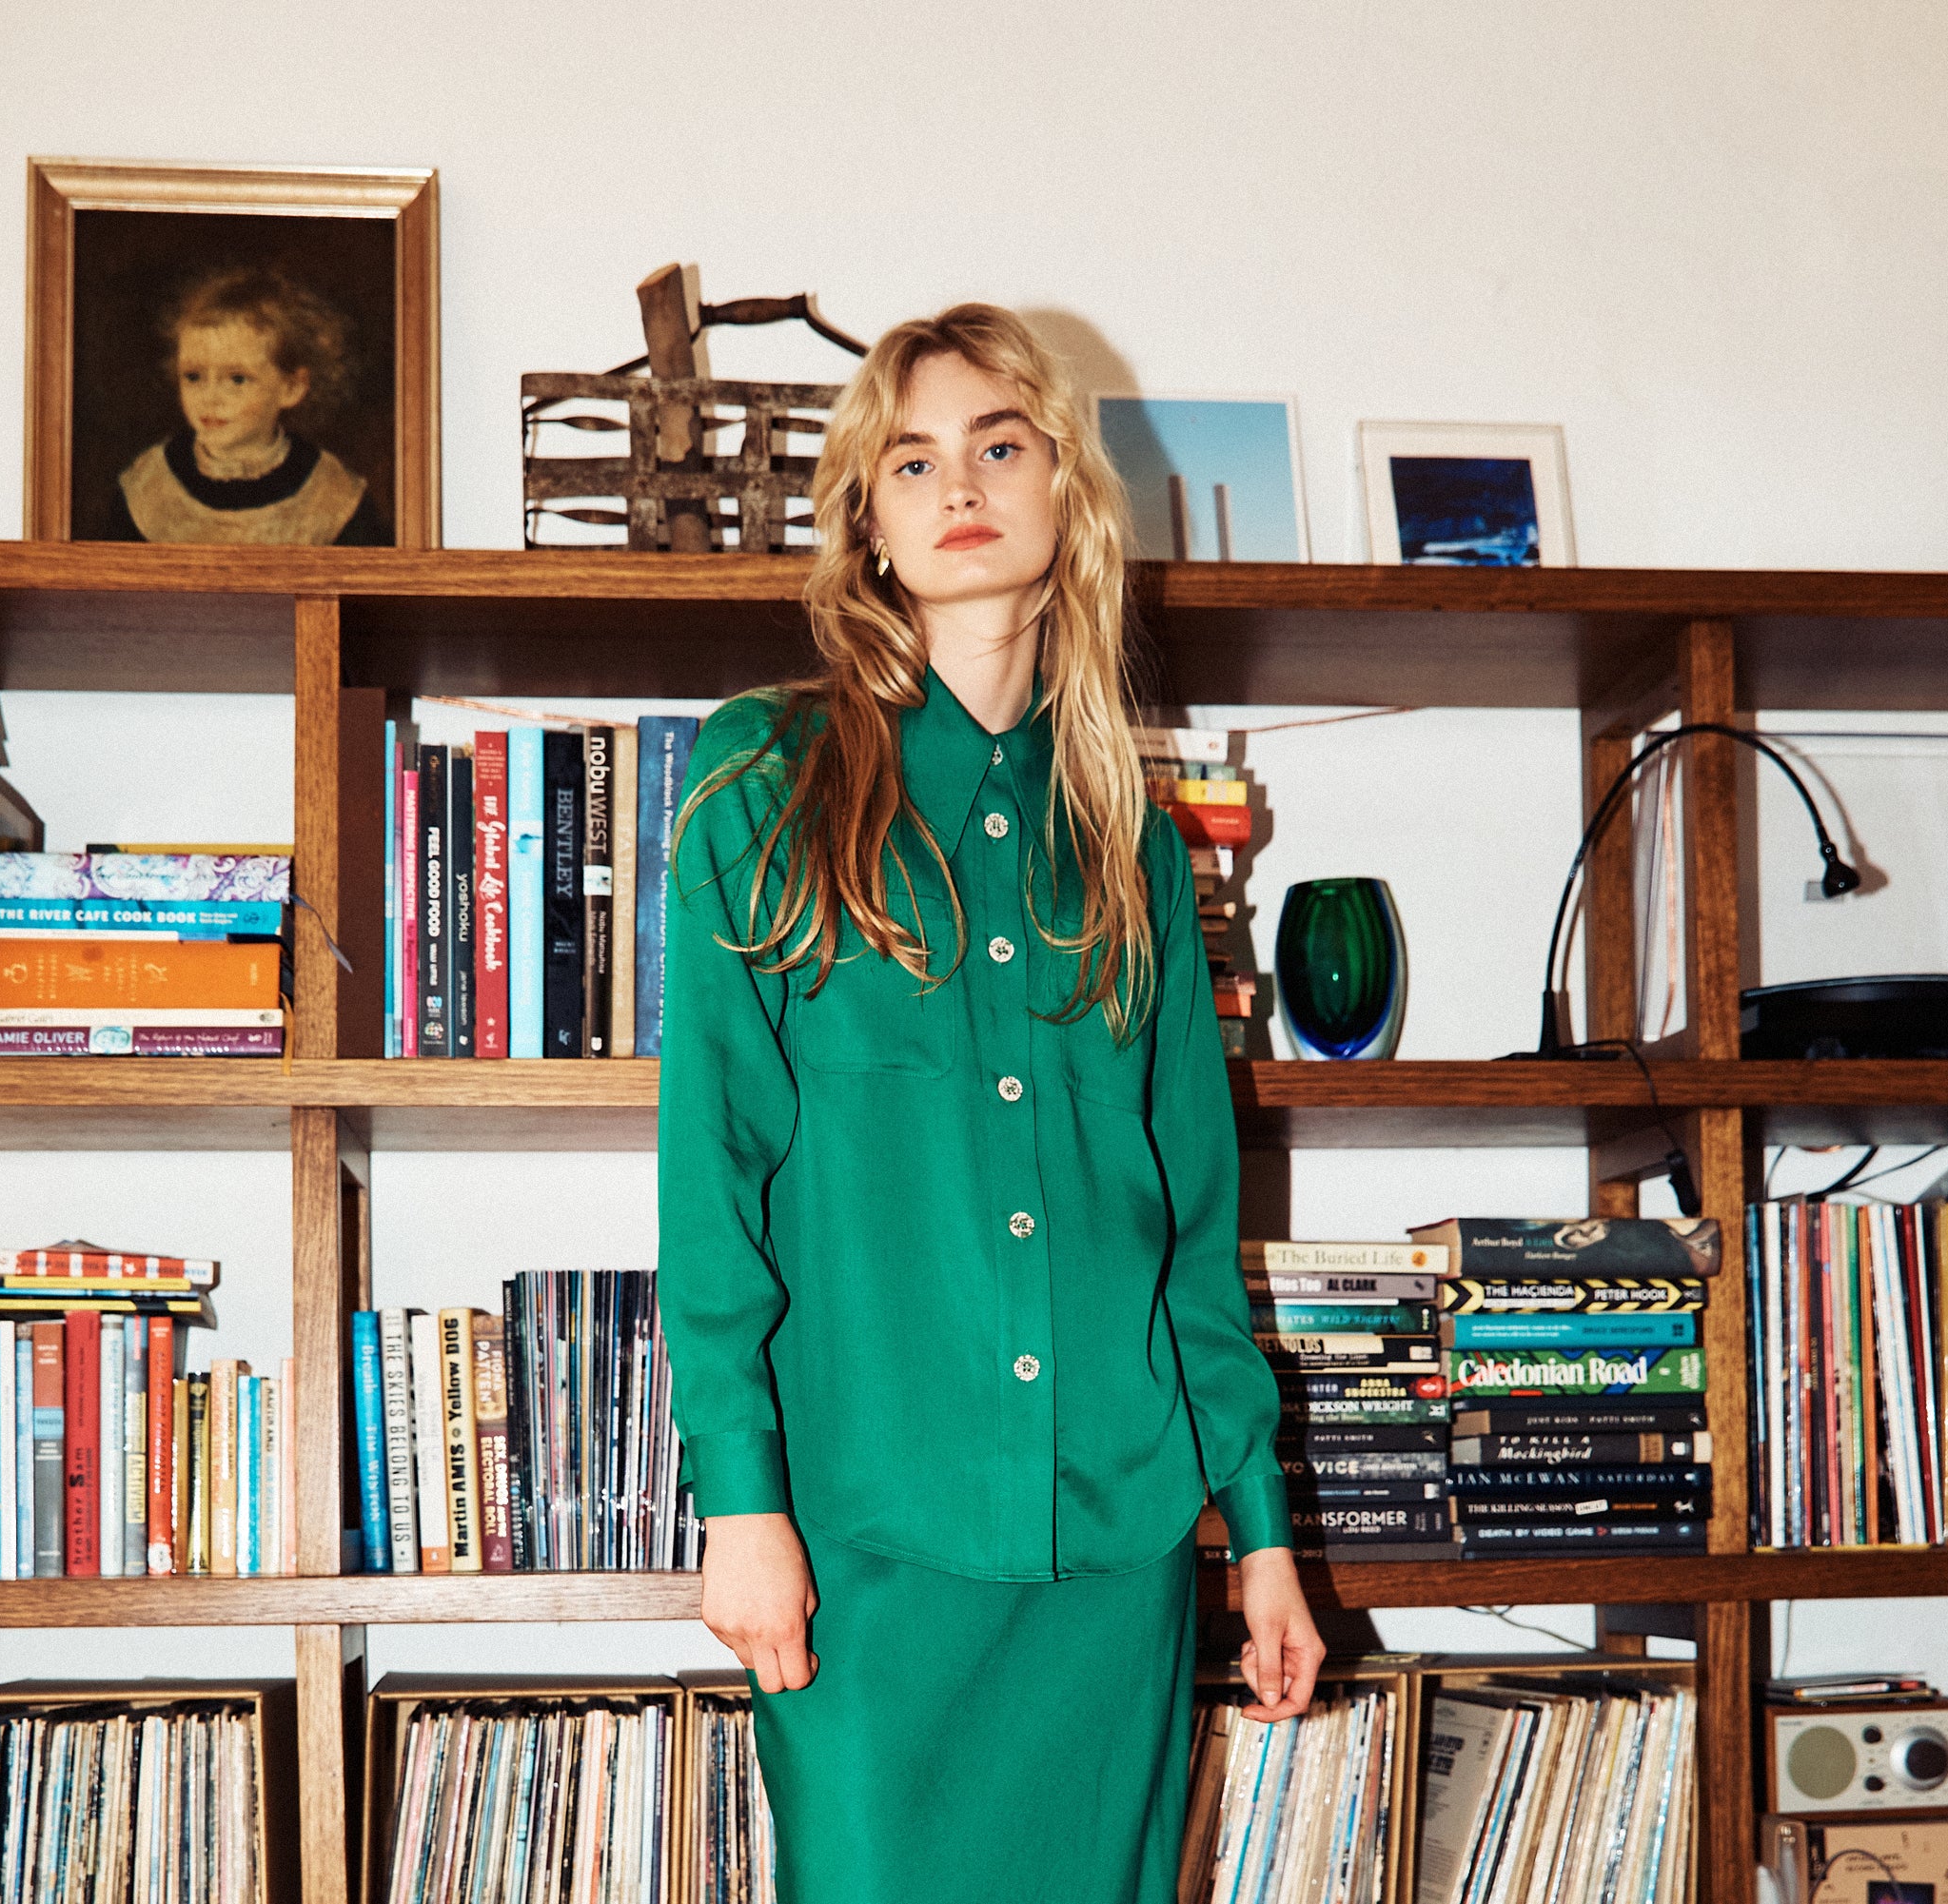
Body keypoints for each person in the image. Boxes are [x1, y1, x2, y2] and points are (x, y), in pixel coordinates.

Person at [657, 304, 1326, 1903]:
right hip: (869, 1540)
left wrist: (1263, 1532)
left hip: (1115, 1544)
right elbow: (714, 1179)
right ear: (869, 527)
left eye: (999, 445)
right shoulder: (762, 785)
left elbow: (1188, 1225)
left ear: (1065, 493)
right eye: (912, 460)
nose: (959, 485)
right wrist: (741, 1503)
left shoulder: (1131, 841)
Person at [95, 264, 387, 545]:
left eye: (237, 379)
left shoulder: (333, 494)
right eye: (194, 377)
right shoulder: (149, 485)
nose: (210, 397)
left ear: (291, 388)